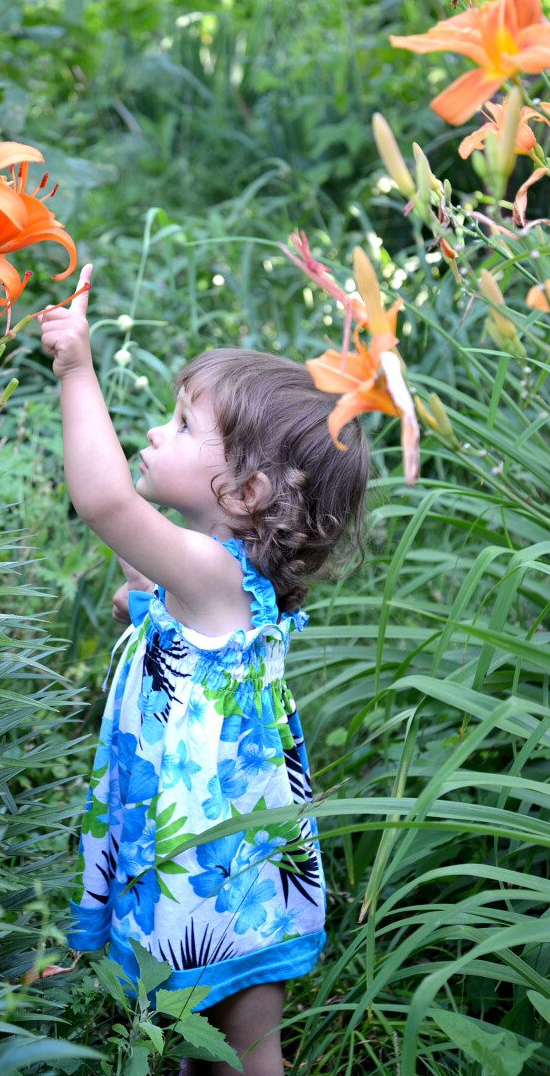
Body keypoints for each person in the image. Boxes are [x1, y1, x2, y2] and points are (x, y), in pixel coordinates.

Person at [40, 265, 370, 1076]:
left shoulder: (211, 578)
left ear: (248, 489)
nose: (157, 434)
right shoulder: (217, 580)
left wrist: (77, 370)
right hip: (229, 853)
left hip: (218, 861)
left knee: (244, 1054)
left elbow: (108, 506)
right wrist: (145, 614)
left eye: (183, 427)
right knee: (214, 1045)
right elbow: (154, 586)